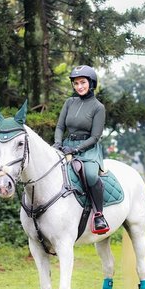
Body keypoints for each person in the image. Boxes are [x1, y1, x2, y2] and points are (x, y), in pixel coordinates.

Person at [52, 65, 109, 234]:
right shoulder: (69, 102)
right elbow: (60, 127)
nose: (79, 87)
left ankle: (99, 214)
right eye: (76, 83)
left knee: (90, 175)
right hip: (67, 144)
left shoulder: (98, 107)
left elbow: (95, 137)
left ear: (91, 83)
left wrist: (76, 150)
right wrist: (57, 143)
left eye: (83, 82)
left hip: (88, 149)